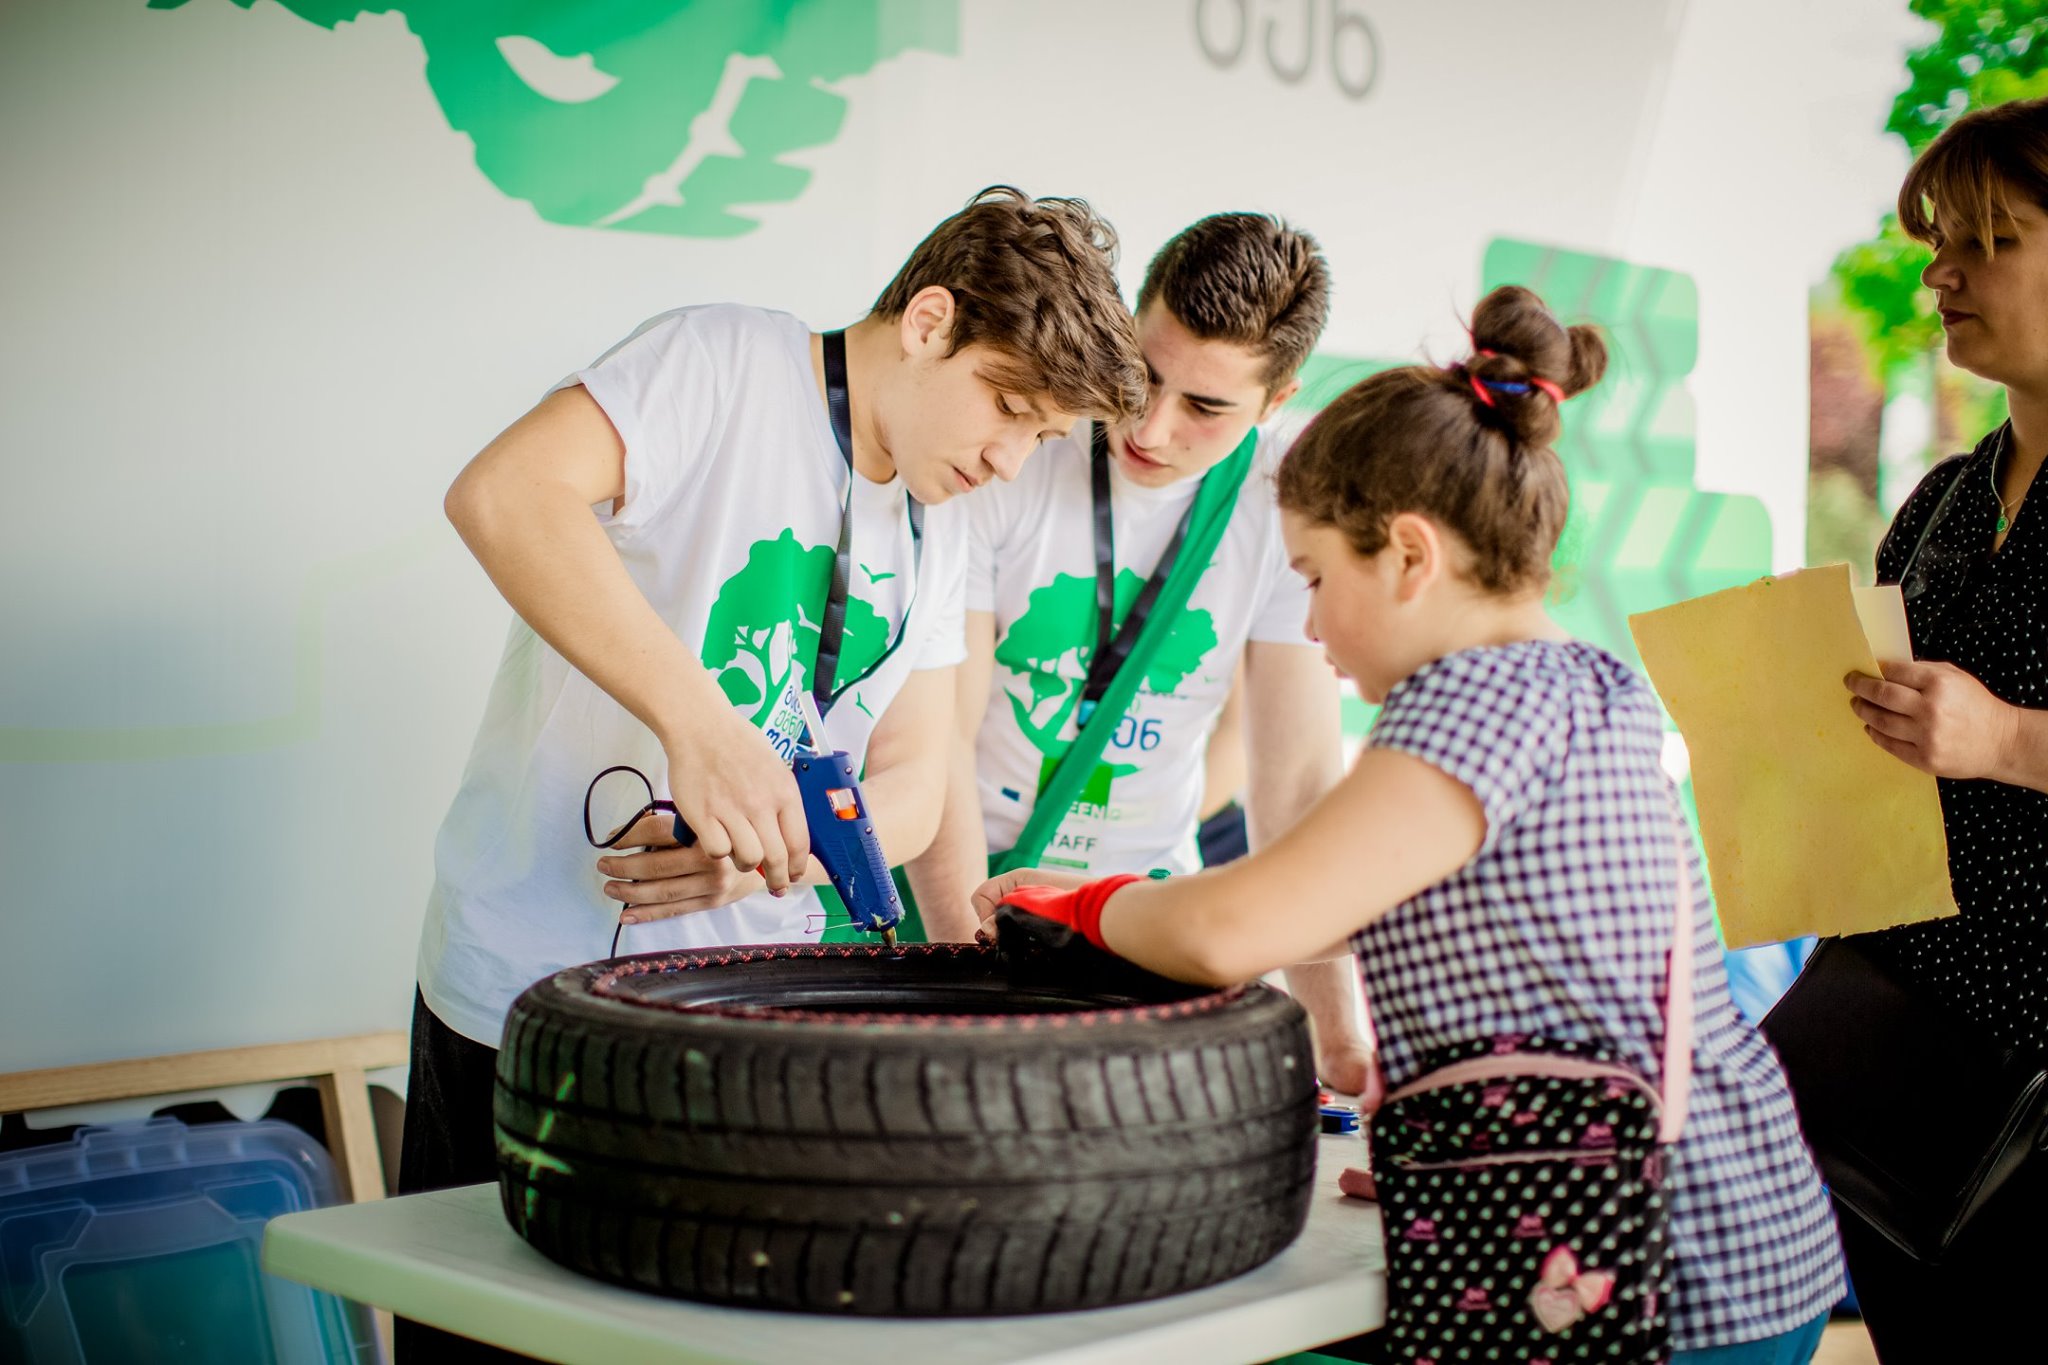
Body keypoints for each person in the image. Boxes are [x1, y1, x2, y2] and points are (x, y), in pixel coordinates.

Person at [979, 286, 1845, 1362]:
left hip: (1651, 1271)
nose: (1307, 622)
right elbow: (1428, 926)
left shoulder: (1472, 700)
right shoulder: (1585, 682)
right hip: (1731, 1229)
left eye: (1314, 577)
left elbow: (1230, 930)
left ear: (1408, 555)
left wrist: (1080, 903)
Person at [403, 186, 1145, 1361]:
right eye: (1007, 407)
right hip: (526, 996)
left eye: (1041, 438)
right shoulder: (721, 361)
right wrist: (702, 729)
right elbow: (501, 495)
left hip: (740, 1025)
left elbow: (916, 780)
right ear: (927, 321)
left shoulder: (944, 516)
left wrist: (765, 847)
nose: (1008, 459)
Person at [906, 213, 1371, 1088]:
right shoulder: (1014, 444)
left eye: (1206, 407)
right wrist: (971, 980)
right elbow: (941, 742)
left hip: (1144, 918)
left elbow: (1296, 785)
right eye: (1145, 374)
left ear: (1277, 401)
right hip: (966, 898)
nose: (1149, 429)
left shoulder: (1287, 498)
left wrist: (1339, 1043)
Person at [1837, 96, 2048, 1360]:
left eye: (1987, 241)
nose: (1939, 274)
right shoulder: (1938, 499)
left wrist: (2006, 740)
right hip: (1897, 1069)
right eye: (1935, 243)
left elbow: (1981, 738)